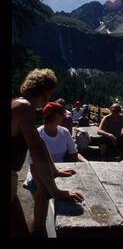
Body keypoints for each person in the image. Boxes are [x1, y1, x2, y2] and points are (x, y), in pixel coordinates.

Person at [11, 69, 84, 237]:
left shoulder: (19, 104)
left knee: (19, 228)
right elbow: (36, 154)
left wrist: (55, 170)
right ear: (44, 93)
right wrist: (55, 191)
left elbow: (40, 144)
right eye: (50, 94)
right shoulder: (24, 108)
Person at [23, 101, 88, 235]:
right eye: (62, 113)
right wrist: (41, 186)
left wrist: (87, 163)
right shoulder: (38, 134)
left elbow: (75, 154)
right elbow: (33, 164)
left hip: (56, 171)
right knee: (41, 208)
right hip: (38, 174)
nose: (64, 116)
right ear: (56, 116)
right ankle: (35, 232)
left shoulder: (64, 132)